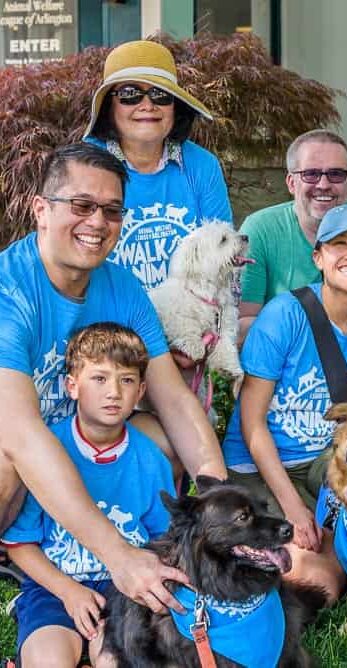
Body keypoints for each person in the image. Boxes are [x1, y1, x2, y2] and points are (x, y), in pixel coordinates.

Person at [0, 142, 226, 612]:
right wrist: (119, 558)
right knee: (8, 456)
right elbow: (21, 435)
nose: (98, 222)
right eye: (82, 206)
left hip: (82, 432)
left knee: (162, 439)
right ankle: (17, 552)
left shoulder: (122, 286)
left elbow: (175, 401)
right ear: (41, 210)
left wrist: (219, 505)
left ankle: (142, 541)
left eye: (112, 210)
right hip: (21, 442)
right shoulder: (9, 289)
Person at [223, 204, 347, 601]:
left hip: (324, 461)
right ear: (318, 257)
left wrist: (334, 503)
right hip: (260, 464)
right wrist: (292, 508)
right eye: (340, 244)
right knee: (316, 577)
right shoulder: (283, 315)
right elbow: (252, 425)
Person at [2, 323, 175, 667]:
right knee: (48, 660)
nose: (113, 392)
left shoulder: (151, 458)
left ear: (141, 391)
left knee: (114, 660)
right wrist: (69, 592)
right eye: (99, 378)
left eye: (126, 380)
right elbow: (19, 543)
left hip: (126, 589)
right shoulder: (46, 451)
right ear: (72, 385)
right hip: (55, 586)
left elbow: (165, 539)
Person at [84, 39, 232, 292]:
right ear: (110, 105)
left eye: (160, 94)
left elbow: (224, 260)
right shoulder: (85, 165)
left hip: (189, 318)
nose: (147, 105)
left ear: (175, 106)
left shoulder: (202, 166)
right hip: (107, 317)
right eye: (130, 94)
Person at [238, 128, 347, 342]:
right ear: (291, 182)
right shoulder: (259, 228)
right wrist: (321, 333)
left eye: (336, 174)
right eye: (311, 174)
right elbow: (243, 324)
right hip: (282, 364)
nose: (323, 185)